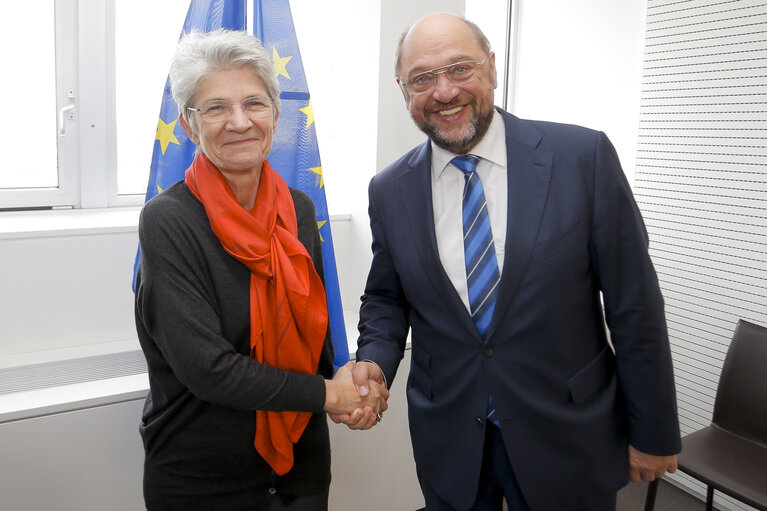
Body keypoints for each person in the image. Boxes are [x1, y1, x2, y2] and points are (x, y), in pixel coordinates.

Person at [336, 12, 681, 511]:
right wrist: (373, 361)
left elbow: (636, 305)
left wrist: (652, 430)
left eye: (459, 69)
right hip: (451, 438)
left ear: (491, 68)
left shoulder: (581, 158)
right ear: (404, 90)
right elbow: (388, 297)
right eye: (423, 78)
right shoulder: (390, 189)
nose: (444, 91)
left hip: (564, 434)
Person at [134, 29, 387, 511]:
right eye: (215, 108)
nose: (238, 121)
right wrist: (330, 396)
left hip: (301, 467)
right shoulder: (169, 221)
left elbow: (315, 336)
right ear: (190, 126)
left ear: (275, 114)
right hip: (206, 477)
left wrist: (351, 380)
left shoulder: (299, 208)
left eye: (254, 103)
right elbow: (208, 370)